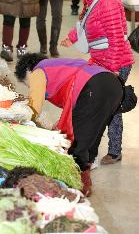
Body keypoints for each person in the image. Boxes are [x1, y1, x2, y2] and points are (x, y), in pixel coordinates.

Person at [15, 53, 123, 196]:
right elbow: (75, 104)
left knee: (75, 142)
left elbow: (35, 104)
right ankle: (84, 182)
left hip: (94, 87)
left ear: (28, 71)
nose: (29, 85)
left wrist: (23, 121)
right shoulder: (60, 66)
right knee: (91, 138)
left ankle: (78, 185)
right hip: (112, 86)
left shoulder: (37, 71)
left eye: (25, 82)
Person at [61, 0, 134, 165]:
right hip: (99, 60)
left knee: (110, 107)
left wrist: (112, 71)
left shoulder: (109, 1)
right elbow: (85, 21)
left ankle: (114, 150)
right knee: (102, 104)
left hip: (116, 62)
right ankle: (92, 149)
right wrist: (71, 37)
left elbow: (115, 39)